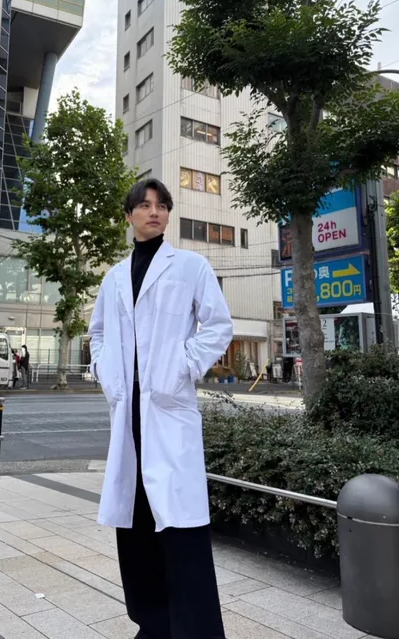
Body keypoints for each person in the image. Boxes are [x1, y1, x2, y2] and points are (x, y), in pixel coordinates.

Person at [88, 178, 233, 639]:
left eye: (162, 205)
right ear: (129, 215)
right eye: (146, 205)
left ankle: (195, 630)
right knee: (136, 529)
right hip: (128, 414)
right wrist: (106, 373)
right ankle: (152, 625)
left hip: (168, 411)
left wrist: (182, 366)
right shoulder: (114, 277)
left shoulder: (190, 266)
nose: (155, 212)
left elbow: (218, 325)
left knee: (181, 532)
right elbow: (98, 333)